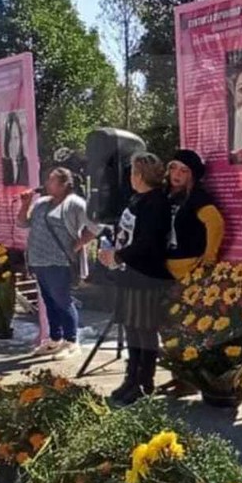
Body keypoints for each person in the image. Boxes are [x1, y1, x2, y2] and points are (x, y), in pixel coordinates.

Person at [99, 153, 173, 405]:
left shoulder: (156, 202)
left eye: (132, 173)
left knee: (144, 329)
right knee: (131, 327)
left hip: (147, 275)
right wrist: (112, 254)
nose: (130, 177)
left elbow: (148, 242)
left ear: (140, 176)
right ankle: (131, 378)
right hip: (129, 274)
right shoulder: (136, 199)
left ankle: (145, 381)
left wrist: (118, 256)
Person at [19, 168, 97, 358]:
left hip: (59, 260)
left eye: (52, 181)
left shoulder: (75, 204)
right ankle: (55, 339)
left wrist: (78, 244)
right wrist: (25, 204)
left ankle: (71, 341)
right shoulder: (41, 203)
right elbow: (22, 223)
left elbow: (95, 226)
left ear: (64, 185)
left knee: (62, 299)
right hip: (39, 260)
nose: (47, 184)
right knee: (49, 301)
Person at [164, 150, 225, 280]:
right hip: (166, 267)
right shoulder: (165, 195)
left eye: (184, 170)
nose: (177, 173)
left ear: (192, 175)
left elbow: (216, 223)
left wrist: (209, 257)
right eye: (173, 167)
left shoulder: (197, 196)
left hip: (189, 268)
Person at [2, 112, 29, 186]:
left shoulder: (25, 165)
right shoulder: (3, 167)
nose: (13, 143)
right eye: (10, 139)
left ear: (21, 140)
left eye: (16, 138)